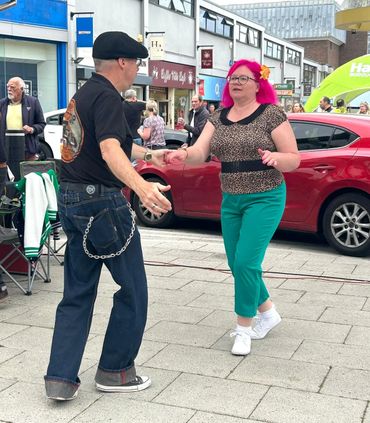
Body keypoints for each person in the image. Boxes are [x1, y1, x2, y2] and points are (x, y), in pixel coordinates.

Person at [44, 31, 172, 401]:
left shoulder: (84, 94)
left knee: (77, 294)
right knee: (134, 289)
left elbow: (110, 142)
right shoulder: (109, 97)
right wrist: (143, 186)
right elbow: (109, 149)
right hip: (101, 205)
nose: (136, 69)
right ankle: (115, 370)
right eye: (135, 63)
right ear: (123, 62)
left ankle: (60, 378)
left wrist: (149, 156)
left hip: (71, 199)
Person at [166, 59, 300, 356]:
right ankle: (268, 312)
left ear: (257, 83)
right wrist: (182, 155)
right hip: (232, 199)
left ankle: (243, 329)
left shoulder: (271, 114)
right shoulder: (218, 117)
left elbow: (294, 158)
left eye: (243, 78)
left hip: (265, 197)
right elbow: (201, 153)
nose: (236, 82)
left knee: (246, 263)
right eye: (232, 78)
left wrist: (277, 159)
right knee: (237, 262)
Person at [0, 76, 45, 167]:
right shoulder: (2, 103)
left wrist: (32, 129)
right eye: (8, 87)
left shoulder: (33, 102)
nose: (9, 89)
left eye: (12, 87)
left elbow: (41, 124)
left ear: (21, 89)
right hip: (6, 147)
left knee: (27, 176)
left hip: (26, 147)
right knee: (8, 177)